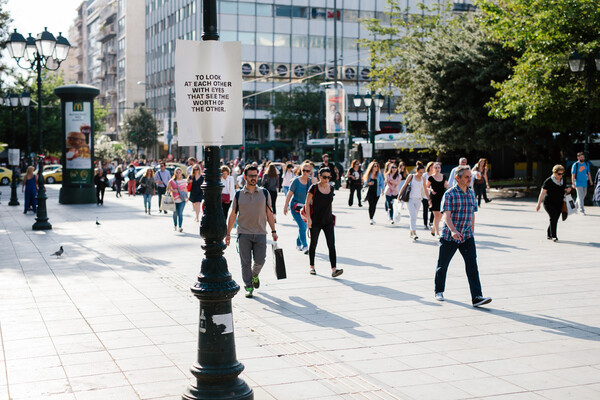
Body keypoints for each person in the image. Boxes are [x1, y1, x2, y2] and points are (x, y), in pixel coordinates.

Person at [434, 165, 492, 307]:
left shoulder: (471, 193)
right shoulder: (449, 194)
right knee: (443, 265)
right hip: (450, 236)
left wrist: (472, 231)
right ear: (457, 178)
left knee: (472, 265)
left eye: (470, 176)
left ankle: (477, 297)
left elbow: (472, 213)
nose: (469, 179)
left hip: (467, 237)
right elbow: (446, 215)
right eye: (466, 177)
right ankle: (439, 290)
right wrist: (453, 230)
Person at [226, 165, 278, 298]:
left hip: (261, 232)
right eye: (251, 176)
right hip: (243, 234)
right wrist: (228, 234)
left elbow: (269, 213)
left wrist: (273, 230)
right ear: (245, 177)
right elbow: (233, 215)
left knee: (260, 260)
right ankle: (248, 285)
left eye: (255, 175)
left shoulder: (264, 193)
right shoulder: (238, 195)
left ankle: (254, 275)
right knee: (245, 263)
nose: (254, 178)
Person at [306, 167, 343, 277]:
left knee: (331, 245)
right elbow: (307, 204)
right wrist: (309, 219)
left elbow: (329, 204)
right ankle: (312, 267)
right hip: (315, 221)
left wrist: (331, 215)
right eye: (324, 177)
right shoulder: (314, 188)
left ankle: (334, 269)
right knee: (313, 244)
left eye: (328, 177)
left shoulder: (331, 188)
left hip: (328, 221)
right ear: (319, 176)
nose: (327, 179)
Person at [536, 164, 572, 241]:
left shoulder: (563, 180)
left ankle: (549, 232)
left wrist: (567, 190)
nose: (561, 175)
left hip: (559, 203)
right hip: (548, 203)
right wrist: (538, 204)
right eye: (559, 174)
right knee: (553, 217)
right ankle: (554, 236)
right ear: (554, 173)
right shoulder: (548, 181)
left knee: (555, 218)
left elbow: (564, 188)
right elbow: (542, 193)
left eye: (562, 174)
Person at [283, 162, 312, 253]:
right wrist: (285, 206)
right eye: (304, 170)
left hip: (305, 208)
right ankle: (305, 246)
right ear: (301, 170)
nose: (305, 172)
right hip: (295, 207)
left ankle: (298, 242)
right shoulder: (296, 181)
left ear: (310, 172)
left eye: (307, 171)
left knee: (303, 227)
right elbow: (289, 194)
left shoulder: (310, 181)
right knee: (303, 226)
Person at [398, 161, 431, 239]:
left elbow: (425, 189)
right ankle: (414, 232)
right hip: (410, 199)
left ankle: (411, 231)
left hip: (419, 200)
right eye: (420, 172)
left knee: (414, 216)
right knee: (413, 215)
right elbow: (404, 185)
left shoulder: (423, 178)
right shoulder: (411, 176)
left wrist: (429, 199)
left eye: (422, 172)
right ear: (416, 171)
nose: (421, 174)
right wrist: (399, 195)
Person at [427, 162, 449, 237]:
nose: (437, 169)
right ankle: (437, 233)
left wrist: (447, 185)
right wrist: (431, 190)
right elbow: (426, 187)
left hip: (442, 198)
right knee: (436, 216)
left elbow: (447, 185)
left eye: (438, 168)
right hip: (434, 198)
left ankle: (433, 229)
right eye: (435, 168)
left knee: (440, 216)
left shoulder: (444, 176)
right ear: (433, 169)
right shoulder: (431, 177)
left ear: (440, 168)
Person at [167, 167, 188, 232]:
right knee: (175, 214)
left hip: (182, 200)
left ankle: (180, 227)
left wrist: (187, 197)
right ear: (175, 173)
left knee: (180, 213)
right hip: (174, 200)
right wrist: (173, 190)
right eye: (177, 172)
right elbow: (167, 189)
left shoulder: (184, 181)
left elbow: (185, 190)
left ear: (181, 173)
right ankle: (175, 225)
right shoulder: (171, 181)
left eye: (179, 172)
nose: (178, 174)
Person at [422, 162, 435, 229]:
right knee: (425, 210)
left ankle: (431, 222)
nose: (432, 168)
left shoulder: (435, 175)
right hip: (425, 195)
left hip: (433, 195)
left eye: (434, 167)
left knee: (433, 209)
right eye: (431, 166)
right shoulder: (424, 175)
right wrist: (430, 189)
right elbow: (423, 186)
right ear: (429, 167)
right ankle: (425, 224)